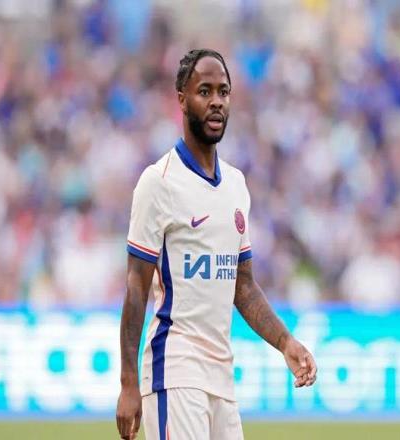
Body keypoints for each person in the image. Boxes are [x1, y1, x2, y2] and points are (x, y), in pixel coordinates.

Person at [116, 49, 317, 440]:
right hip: (174, 371)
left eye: (223, 92)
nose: (216, 102)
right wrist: (128, 383)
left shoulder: (236, 185)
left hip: (222, 377)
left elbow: (243, 285)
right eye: (204, 91)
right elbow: (136, 286)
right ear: (181, 99)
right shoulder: (159, 182)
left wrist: (285, 342)